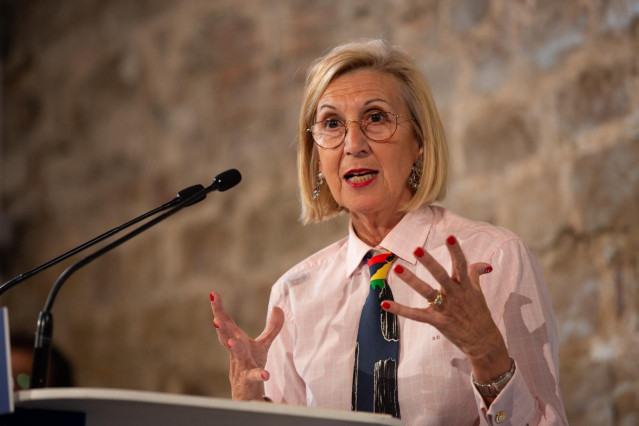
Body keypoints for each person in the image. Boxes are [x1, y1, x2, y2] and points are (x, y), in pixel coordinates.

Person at [210, 39, 568, 425]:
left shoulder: (494, 258)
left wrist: (488, 357)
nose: (354, 144)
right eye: (332, 124)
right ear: (316, 159)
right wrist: (247, 407)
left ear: (419, 143)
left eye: (376, 117)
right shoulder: (294, 295)